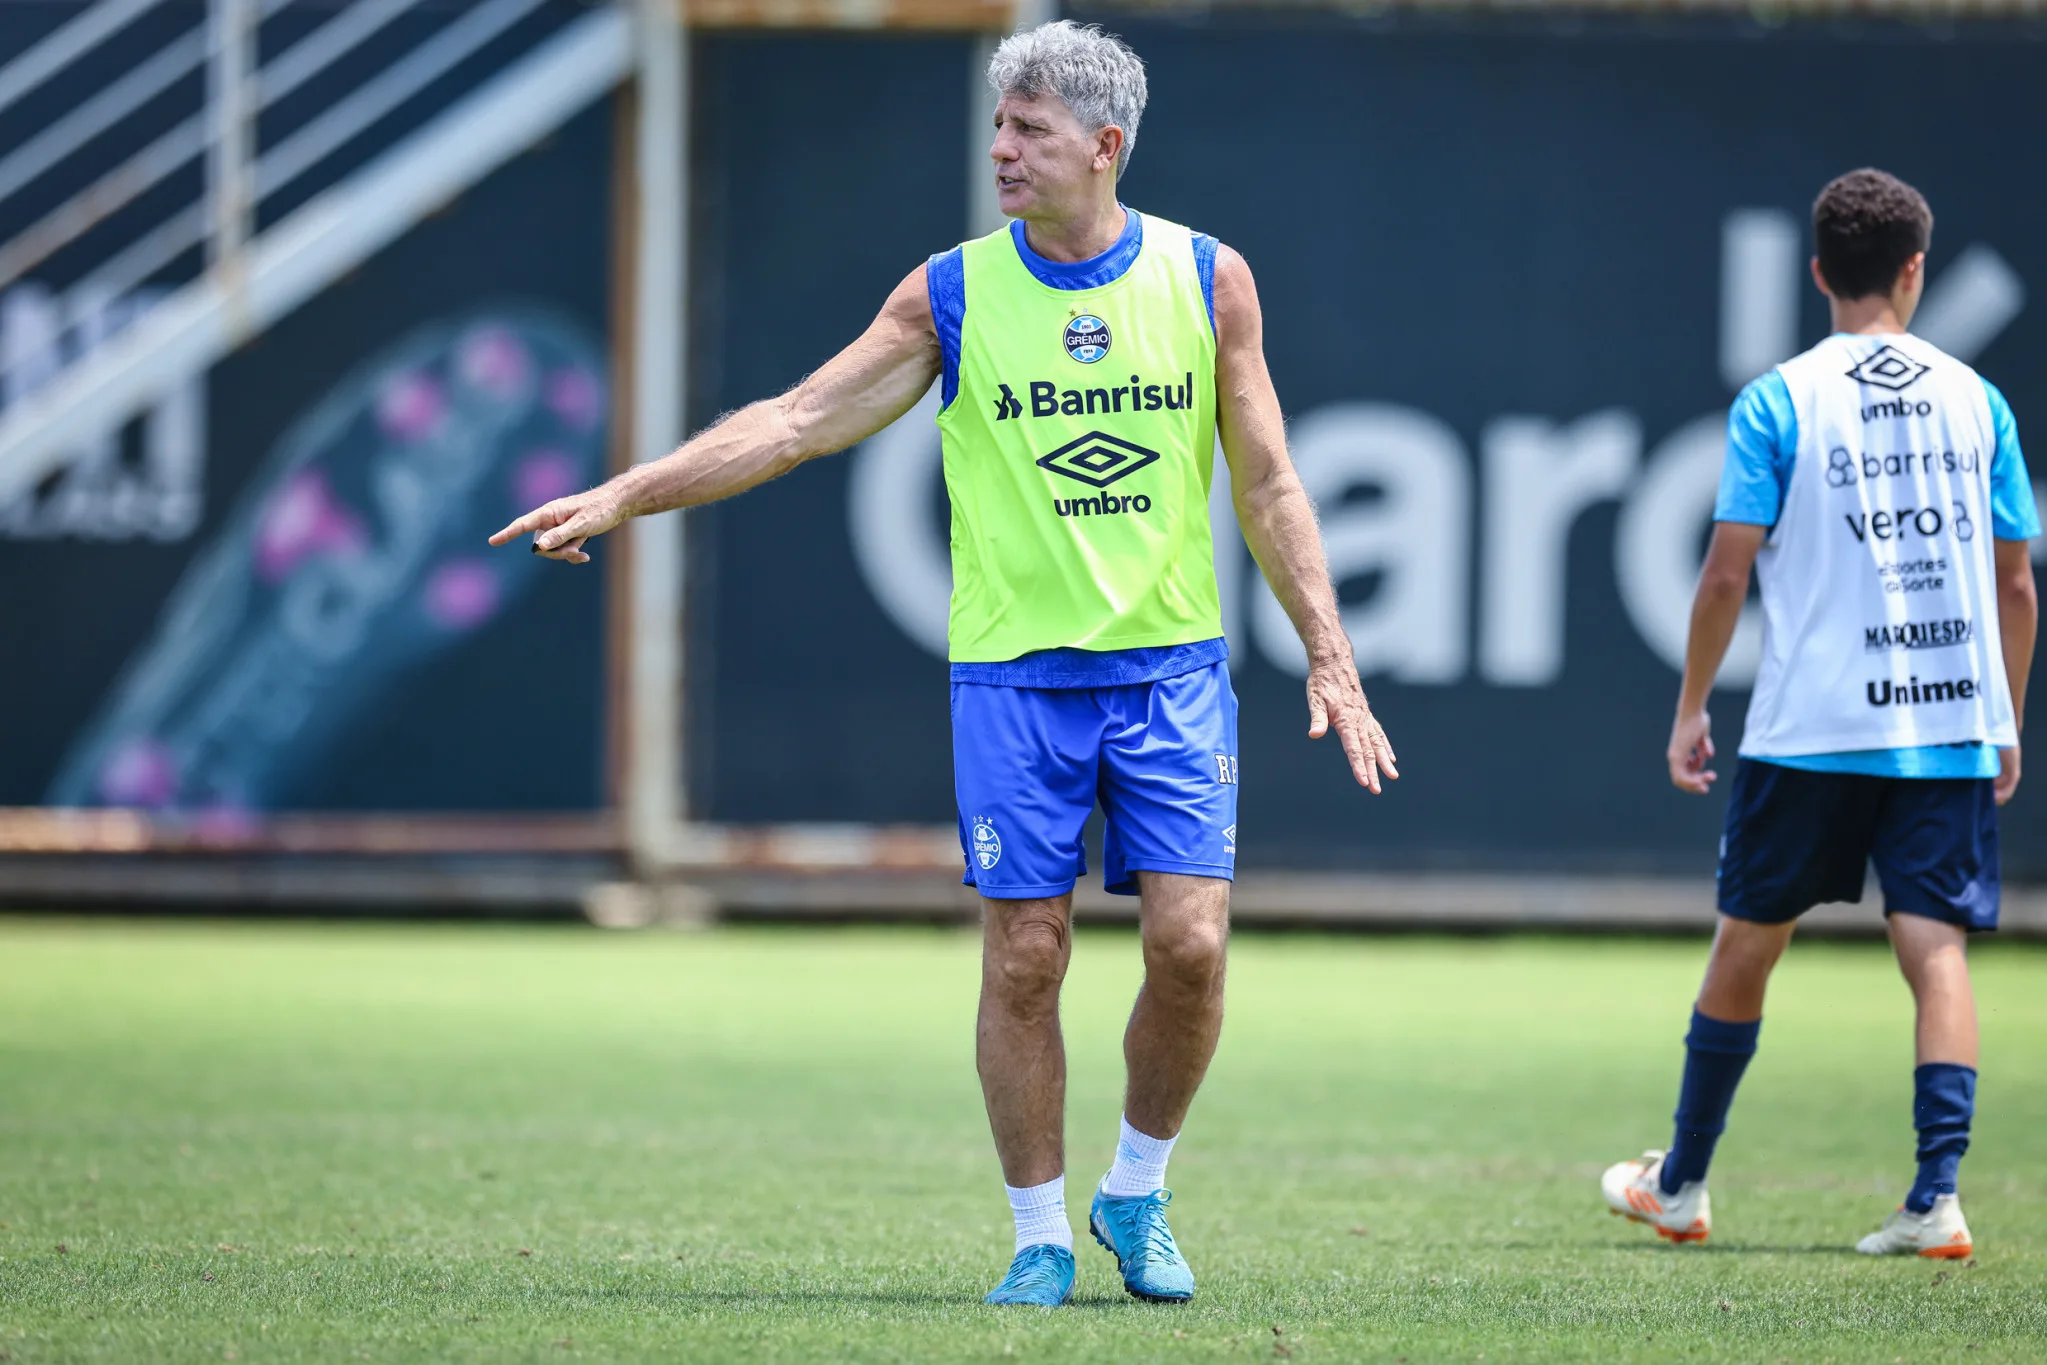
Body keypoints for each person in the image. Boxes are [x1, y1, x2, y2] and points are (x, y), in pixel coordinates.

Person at [491, 21, 1397, 1306]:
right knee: (1026, 955)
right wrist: (626, 492)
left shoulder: (1206, 280)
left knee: (1190, 945)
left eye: (1029, 130)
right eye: (997, 126)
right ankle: (1037, 1236)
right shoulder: (950, 293)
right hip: (1013, 682)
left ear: (1106, 144)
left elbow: (1267, 481)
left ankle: (1136, 1192)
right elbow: (795, 422)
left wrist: (1330, 657)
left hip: (1169, 673)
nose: (1000, 150)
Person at [1601, 168, 2038, 1257]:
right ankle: (1935, 1197)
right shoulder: (1977, 401)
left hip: (1810, 727)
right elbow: (2015, 585)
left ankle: (1681, 1183)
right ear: (1914, 269)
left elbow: (1722, 576)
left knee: (1747, 944)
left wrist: (1690, 706)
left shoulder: (1778, 399)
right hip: (1941, 723)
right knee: (1935, 953)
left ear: (1816, 273)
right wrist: (2005, 715)